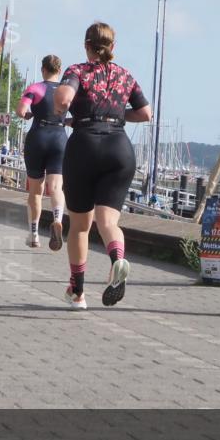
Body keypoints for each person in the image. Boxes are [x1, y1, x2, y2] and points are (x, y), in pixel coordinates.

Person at [54, 22, 152, 309]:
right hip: (119, 149)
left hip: (84, 146)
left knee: (81, 226)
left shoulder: (77, 71)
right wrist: (118, 115)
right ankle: (117, 258)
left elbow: (64, 97)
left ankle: (78, 292)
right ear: (113, 47)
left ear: (86, 45)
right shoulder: (125, 76)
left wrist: (63, 110)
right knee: (108, 222)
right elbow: (146, 113)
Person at [16, 54, 68, 250]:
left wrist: (29, 114)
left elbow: (21, 111)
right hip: (59, 137)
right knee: (56, 187)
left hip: (38, 137)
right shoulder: (67, 91)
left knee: (35, 190)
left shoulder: (36, 88)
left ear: (43, 70)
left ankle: (34, 235)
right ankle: (57, 218)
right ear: (60, 71)